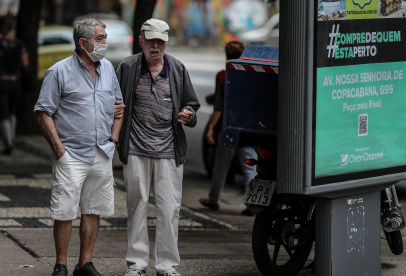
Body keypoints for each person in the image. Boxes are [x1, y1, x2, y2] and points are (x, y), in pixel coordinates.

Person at [34, 18, 124, 276]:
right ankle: (60, 264)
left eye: (105, 38)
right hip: (71, 153)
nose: (105, 43)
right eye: (100, 38)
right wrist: (60, 151)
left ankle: (84, 264)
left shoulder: (108, 68)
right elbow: (42, 112)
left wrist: (114, 141)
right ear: (83, 43)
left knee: (94, 208)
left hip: (102, 151)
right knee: (64, 210)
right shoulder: (58, 71)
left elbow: (119, 109)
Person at [115, 19, 200, 276]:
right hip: (136, 149)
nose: (155, 46)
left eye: (160, 42)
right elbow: (111, 101)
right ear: (140, 40)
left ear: (165, 42)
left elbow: (191, 104)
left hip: (169, 152)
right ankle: (137, 265)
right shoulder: (127, 68)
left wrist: (188, 114)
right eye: (150, 40)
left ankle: (166, 266)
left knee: (169, 208)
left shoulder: (177, 68)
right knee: (136, 206)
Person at [199, 41, 258, 216]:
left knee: (221, 165)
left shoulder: (223, 76)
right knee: (250, 167)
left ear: (226, 56)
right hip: (248, 128)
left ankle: (214, 199)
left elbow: (218, 106)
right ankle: (253, 204)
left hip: (229, 128)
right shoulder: (253, 75)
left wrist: (211, 128)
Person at [0, 15, 29, 155]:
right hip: (15, 81)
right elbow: (25, 63)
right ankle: (11, 138)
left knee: (3, 114)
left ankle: (8, 144)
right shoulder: (19, 44)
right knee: (12, 112)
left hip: (1, 81)